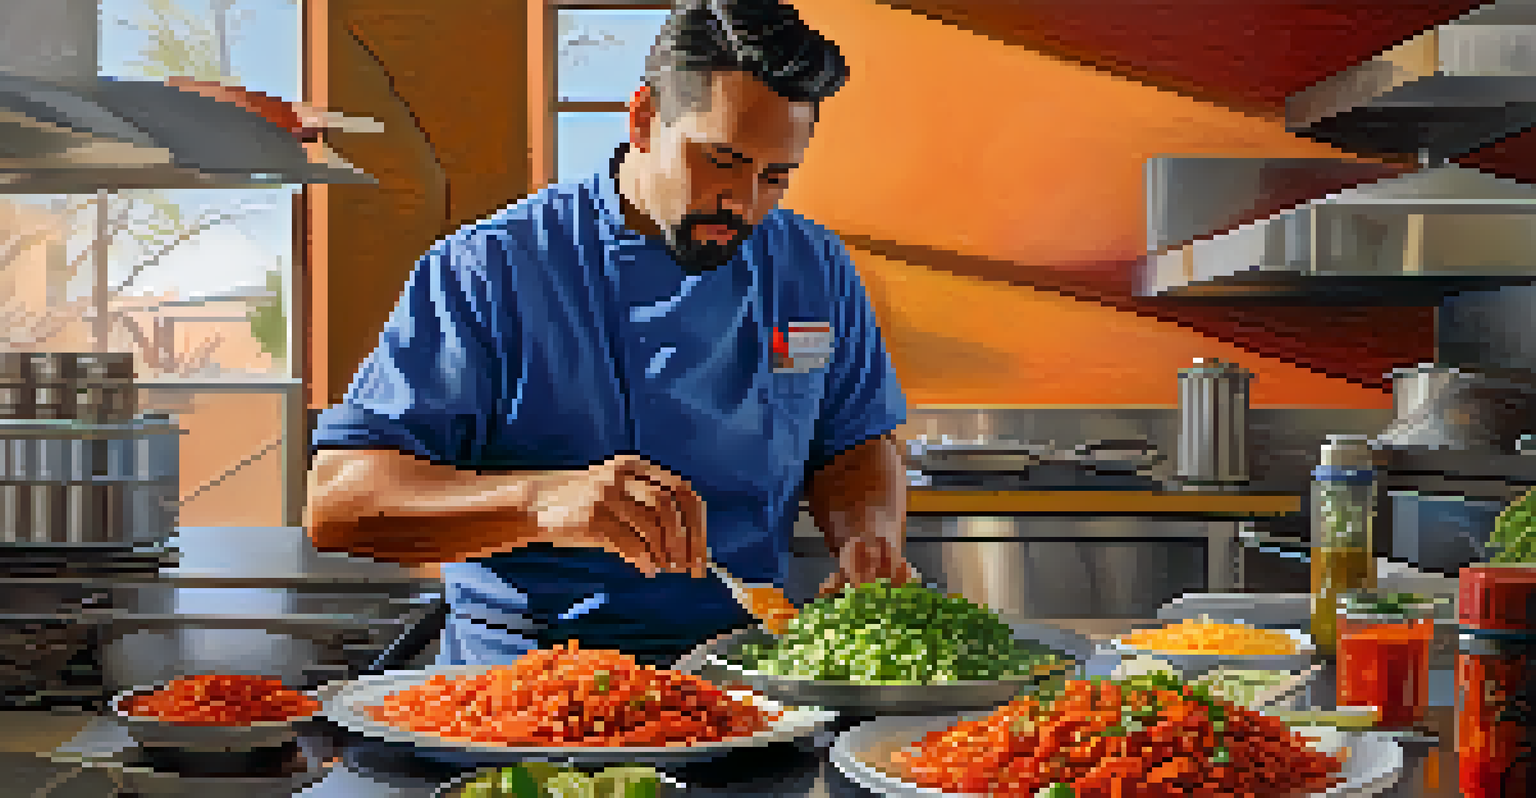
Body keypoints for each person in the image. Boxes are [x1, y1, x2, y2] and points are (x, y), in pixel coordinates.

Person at [304, 0, 919, 667]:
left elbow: (854, 443)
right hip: (524, 684)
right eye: (720, 160)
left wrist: (868, 535)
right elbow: (339, 503)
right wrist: (541, 502)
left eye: (775, 177)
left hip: (746, 676)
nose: (743, 204)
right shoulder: (491, 268)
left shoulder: (813, 266)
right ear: (644, 119)